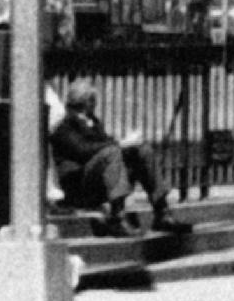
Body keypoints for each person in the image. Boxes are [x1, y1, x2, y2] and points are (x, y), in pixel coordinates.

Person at [44, 90, 176, 237]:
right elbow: (83, 151)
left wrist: (128, 145)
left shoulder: (93, 123)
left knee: (142, 150)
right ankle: (117, 218)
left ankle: (162, 211)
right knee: (112, 152)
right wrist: (121, 143)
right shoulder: (64, 127)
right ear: (86, 103)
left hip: (101, 178)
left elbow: (107, 144)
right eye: (92, 101)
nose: (94, 105)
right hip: (79, 186)